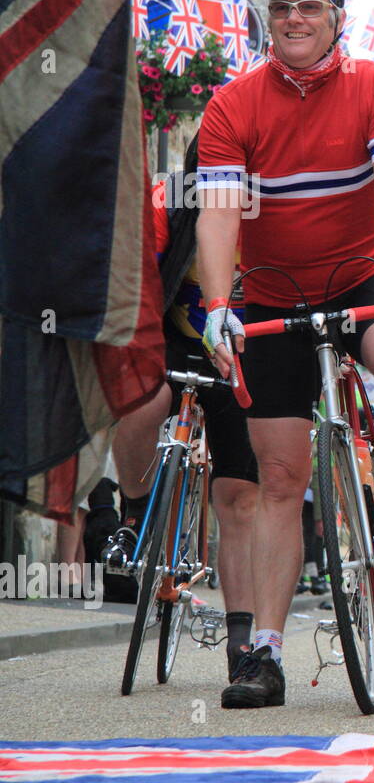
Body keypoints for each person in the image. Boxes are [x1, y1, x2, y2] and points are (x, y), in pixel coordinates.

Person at [196, 0, 374, 709]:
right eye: (281, 8)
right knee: (278, 479)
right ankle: (263, 653)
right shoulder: (234, 104)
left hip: (360, 274)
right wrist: (214, 306)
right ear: (267, 20)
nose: (294, 19)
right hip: (272, 293)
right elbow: (218, 214)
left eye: (310, 6)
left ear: (338, 16)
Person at [104, 148, 260, 681]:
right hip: (172, 336)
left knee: (237, 495)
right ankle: (132, 514)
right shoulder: (171, 199)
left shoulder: (278, 205)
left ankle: (242, 639)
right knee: (145, 400)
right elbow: (135, 272)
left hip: (247, 353)